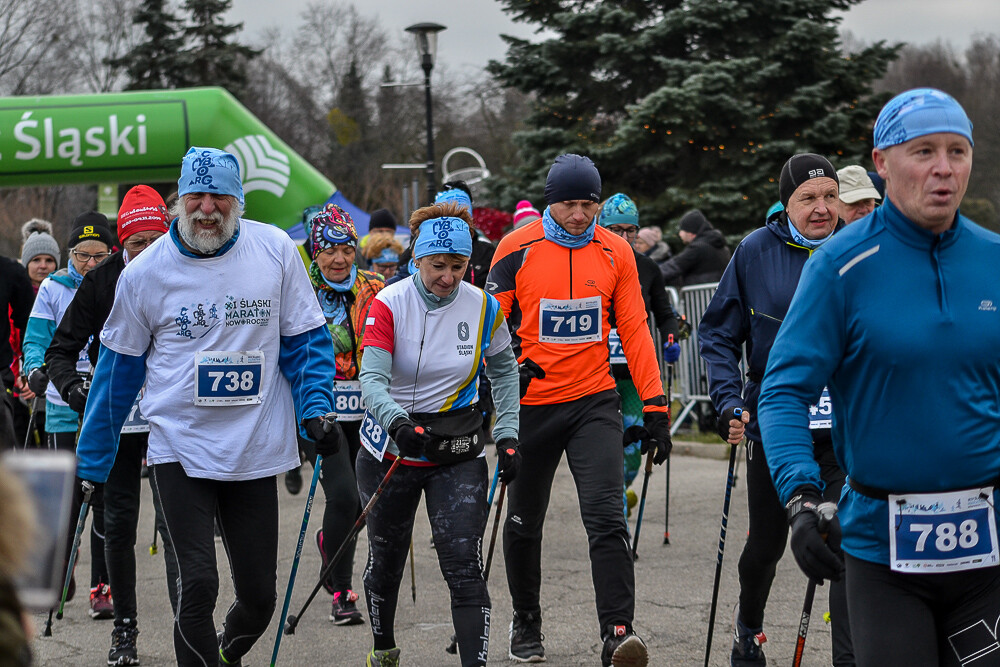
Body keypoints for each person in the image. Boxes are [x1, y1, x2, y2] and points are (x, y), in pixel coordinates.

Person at [74, 146, 343, 666]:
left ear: (237, 198)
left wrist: (315, 408)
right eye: (195, 195)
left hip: (256, 448)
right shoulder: (144, 272)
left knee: (260, 601)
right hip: (181, 446)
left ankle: (223, 655)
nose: (207, 207)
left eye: (219, 195)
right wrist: (94, 460)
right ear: (180, 201)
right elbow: (117, 372)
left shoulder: (275, 251)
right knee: (197, 584)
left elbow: (306, 342)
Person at [759, 89, 998, 667]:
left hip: (988, 557)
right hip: (884, 556)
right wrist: (800, 497)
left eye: (957, 151)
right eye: (923, 151)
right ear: (883, 163)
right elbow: (784, 391)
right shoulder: (839, 267)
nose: (944, 168)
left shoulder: (994, 260)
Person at [488, 154, 671, 666]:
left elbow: (634, 328)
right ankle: (526, 618)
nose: (579, 215)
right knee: (524, 522)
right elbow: (486, 325)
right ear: (551, 202)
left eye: (588, 204)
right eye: (569, 204)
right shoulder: (516, 247)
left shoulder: (615, 251)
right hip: (532, 404)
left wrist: (655, 405)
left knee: (607, 517)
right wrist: (500, 372)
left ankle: (618, 631)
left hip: (594, 400)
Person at [699, 153, 854, 666]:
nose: (822, 208)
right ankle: (749, 631)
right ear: (786, 203)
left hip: (845, 428)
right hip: (777, 422)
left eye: (830, 196)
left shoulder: (860, 248)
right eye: (808, 198)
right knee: (766, 543)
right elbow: (719, 335)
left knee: (845, 542)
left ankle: (850, 655)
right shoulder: (755, 251)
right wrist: (726, 401)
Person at [357, 202, 521, 667]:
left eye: (458, 266)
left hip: (457, 449)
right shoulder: (389, 303)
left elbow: (505, 373)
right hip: (392, 447)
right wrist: (397, 422)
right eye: (437, 266)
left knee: (464, 565)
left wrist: (508, 434)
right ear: (416, 262)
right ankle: (383, 646)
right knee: (386, 563)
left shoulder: (485, 306)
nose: (448, 278)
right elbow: (372, 381)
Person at [45, 185, 174, 666]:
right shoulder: (101, 281)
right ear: (121, 244)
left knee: (178, 522)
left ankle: (190, 620)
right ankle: (125, 629)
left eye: (153, 240)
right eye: (135, 243)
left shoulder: (185, 272)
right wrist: (77, 390)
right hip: (118, 420)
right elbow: (59, 349)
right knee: (117, 524)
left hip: (170, 419)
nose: (144, 252)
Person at [23, 212, 115, 619]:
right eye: (81, 256)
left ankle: (103, 584)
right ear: (69, 254)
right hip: (63, 404)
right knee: (70, 494)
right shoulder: (53, 289)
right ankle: (63, 559)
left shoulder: (120, 282)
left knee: (103, 497)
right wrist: (35, 369)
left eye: (99, 256)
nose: (90, 265)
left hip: (107, 402)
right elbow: (35, 339)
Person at [300, 203, 385, 626]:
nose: (339, 259)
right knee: (345, 495)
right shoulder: (299, 290)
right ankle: (341, 589)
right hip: (321, 408)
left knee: (362, 500)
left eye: (347, 249)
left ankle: (330, 545)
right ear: (315, 252)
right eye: (329, 250)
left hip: (365, 406)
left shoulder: (376, 287)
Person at [598, 193, 681, 498]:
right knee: (605, 452)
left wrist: (672, 337)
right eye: (615, 230)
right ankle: (616, 522)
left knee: (633, 452)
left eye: (630, 231)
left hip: (634, 376)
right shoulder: (590, 263)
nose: (624, 237)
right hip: (598, 376)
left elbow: (664, 313)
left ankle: (620, 495)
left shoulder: (647, 268)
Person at [659, 210, 731, 287]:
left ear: (691, 232)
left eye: (682, 230)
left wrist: (651, 274)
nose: (680, 234)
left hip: (701, 296)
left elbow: (674, 266)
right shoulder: (721, 246)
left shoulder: (698, 248)